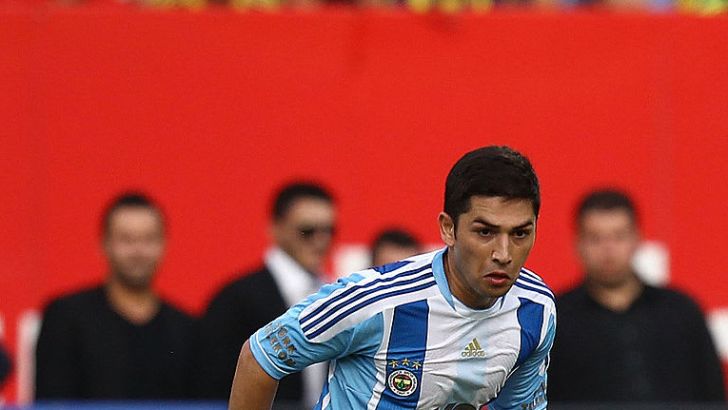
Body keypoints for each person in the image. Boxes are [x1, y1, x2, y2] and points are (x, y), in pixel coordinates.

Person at [229, 146, 556, 410]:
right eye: (485, 232)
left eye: (520, 233)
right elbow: (260, 356)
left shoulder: (535, 309)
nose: (504, 253)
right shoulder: (376, 299)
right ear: (448, 229)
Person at [548, 189, 725, 403]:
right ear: (578, 244)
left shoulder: (681, 312)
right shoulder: (555, 320)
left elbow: (713, 394)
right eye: (595, 238)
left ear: (637, 238)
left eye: (619, 236)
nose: (608, 249)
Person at [35, 192, 196, 400]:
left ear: (164, 244)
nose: (138, 251)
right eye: (126, 239)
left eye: (149, 239)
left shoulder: (186, 330)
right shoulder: (66, 318)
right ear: (104, 244)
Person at [197, 182, 336, 407]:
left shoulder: (335, 293)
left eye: (329, 230)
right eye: (307, 230)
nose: (321, 240)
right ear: (276, 228)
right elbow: (211, 385)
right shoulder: (235, 300)